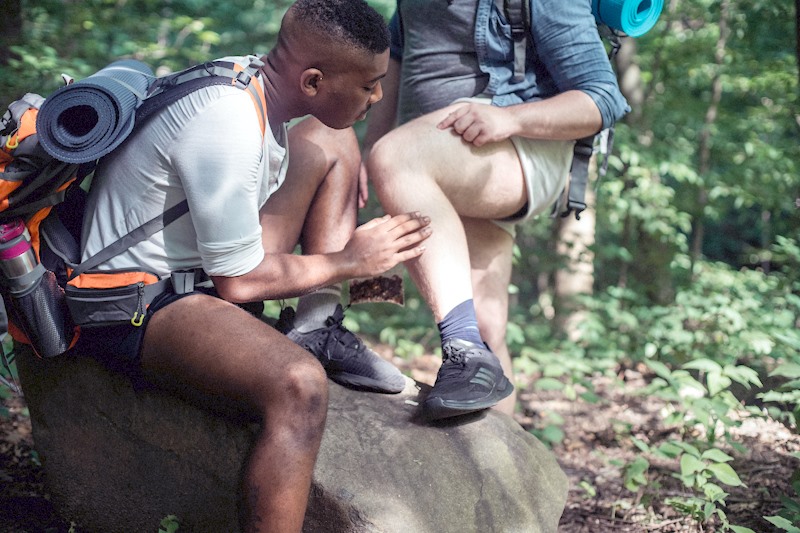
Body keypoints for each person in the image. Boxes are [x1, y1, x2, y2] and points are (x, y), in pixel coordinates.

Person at [74, 0, 431, 531]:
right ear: (312, 81)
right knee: (300, 386)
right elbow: (238, 282)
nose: (379, 96)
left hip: (193, 273)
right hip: (135, 299)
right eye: (369, 85)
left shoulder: (254, 84)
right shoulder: (229, 122)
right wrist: (348, 261)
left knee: (334, 138)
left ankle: (318, 325)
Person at [362, 0, 630, 420]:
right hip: (444, 154)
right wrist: (367, 156)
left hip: (516, 148)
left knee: (396, 157)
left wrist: (511, 119)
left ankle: (464, 351)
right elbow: (394, 70)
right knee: (487, 326)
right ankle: (510, 474)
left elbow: (603, 100)